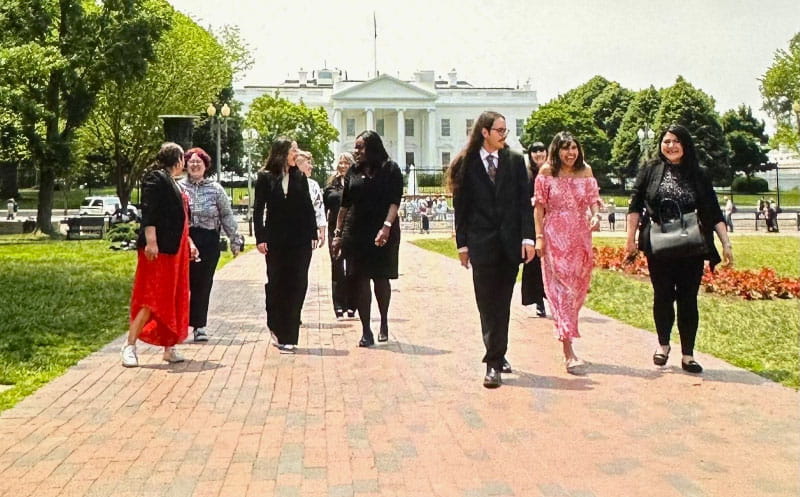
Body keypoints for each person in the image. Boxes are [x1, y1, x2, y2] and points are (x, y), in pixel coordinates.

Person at [626, 124, 733, 374]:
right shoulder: (651, 169)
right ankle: (663, 345)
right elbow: (635, 205)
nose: (670, 146)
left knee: (688, 299)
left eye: (676, 141)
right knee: (662, 295)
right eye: (666, 141)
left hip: (690, 245)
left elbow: (713, 210)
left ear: (685, 145)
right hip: (659, 243)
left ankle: (688, 354)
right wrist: (630, 238)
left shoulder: (698, 173)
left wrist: (726, 243)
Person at [449, 111, 535, 388]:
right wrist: (462, 244)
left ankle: (498, 352)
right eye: (500, 130)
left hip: (510, 244)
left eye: (505, 131)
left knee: (502, 302)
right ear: (484, 132)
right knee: (487, 304)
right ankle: (493, 362)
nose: (504, 135)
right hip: (481, 244)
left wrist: (528, 239)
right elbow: (460, 209)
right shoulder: (466, 163)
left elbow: (524, 203)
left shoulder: (514, 161)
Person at [122, 142, 199, 367]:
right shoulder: (156, 178)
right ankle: (129, 345)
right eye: (182, 159)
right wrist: (151, 241)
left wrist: (189, 243)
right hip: (160, 250)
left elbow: (180, 218)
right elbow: (150, 211)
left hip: (175, 250)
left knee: (173, 296)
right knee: (151, 297)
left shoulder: (173, 183)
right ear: (176, 160)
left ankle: (169, 346)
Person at [534, 132, 601, 374]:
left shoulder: (586, 172)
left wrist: (595, 214)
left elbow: (593, 199)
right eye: (565, 148)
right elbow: (539, 208)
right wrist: (539, 237)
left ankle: (568, 333)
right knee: (562, 293)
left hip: (580, 237)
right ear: (556, 151)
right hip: (555, 237)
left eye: (574, 148)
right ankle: (568, 350)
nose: (570, 153)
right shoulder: (546, 173)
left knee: (577, 291)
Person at [331, 130, 403, 347]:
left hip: (383, 230)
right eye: (356, 147)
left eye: (360, 147)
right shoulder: (353, 170)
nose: (356, 151)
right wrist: (337, 234)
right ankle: (365, 330)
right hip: (357, 232)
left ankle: (383, 322)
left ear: (372, 147)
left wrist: (386, 227)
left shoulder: (390, 169)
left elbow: (394, 202)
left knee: (381, 279)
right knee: (360, 279)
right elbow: (344, 205)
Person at [253, 137, 318, 354]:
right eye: (293, 150)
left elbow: (307, 207)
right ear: (282, 153)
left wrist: (313, 232)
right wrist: (260, 238)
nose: (297, 154)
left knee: (298, 283)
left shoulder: (299, 176)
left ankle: (290, 335)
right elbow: (258, 209)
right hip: (276, 240)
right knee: (276, 284)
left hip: (299, 241)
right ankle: (275, 324)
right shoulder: (265, 177)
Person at [179, 147, 244, 342]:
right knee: (183, 284)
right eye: (191, 162)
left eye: (199, 162)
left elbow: (226, 215)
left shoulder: (215, 189)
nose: (195, 165)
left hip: (208, 240)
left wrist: (235, 239)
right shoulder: (179, 187)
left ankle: (199, 326)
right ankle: (180, 325)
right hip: (185, 239)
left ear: (206, 165)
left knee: (203, 284)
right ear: (185, 165)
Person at [324, 152, 356, 319]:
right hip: (333, 231)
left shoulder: (356, 183)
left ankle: (352, 304)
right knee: (337, 267)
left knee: (352, 268)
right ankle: (338, 305)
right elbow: (323, 209)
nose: (343, 166)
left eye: (346, 163)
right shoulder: (331, 186)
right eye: (341, 163)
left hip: (352, 230)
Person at [521, 141, 548, 318]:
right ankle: (538, 299)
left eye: (541, 150)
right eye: (534, 151)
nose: (538, 154)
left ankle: (552, 297)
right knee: (535, 263)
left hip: (552, 222)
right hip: (532, 223)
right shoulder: (527, 175)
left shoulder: (553, 172)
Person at [295, 150, 327, 245]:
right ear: (298, 164)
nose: (311, 166)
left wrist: (322, 230)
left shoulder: (313, 185)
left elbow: (319, 208)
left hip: (306, 233)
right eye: (308, 163)